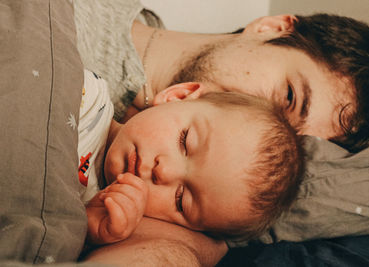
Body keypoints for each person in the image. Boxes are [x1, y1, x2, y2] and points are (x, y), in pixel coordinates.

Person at [73, 1, 369, 266]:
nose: (261, 118)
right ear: (272, 28)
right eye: (288, 97)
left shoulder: (156, 199)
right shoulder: (89, 26)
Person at [79, 70, 304, 246]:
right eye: (184, 142)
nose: (163, 171)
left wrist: (87, 231)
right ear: (178, 97)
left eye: (181, 199)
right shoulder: (87, 96)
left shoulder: (102, 217)